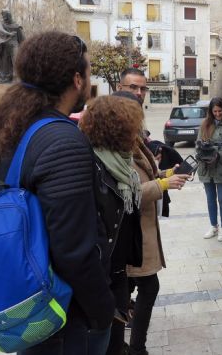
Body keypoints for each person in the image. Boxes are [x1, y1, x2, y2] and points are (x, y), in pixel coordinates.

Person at [0, 31, 114, 354]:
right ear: (77, 79)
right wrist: (103, 309)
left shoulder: (12, 128)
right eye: (89, 71)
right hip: (64, 317)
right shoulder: (62, 141)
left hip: (27, 303)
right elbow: (73, 251)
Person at [112, 90, 189, 355]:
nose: (141, 117)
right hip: (131, 234)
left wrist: (169, 174)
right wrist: (164, 184)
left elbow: (147, 176)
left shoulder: (134, 142)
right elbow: (127, 194)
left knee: (130, 290)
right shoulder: (116, 148)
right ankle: (133, 348)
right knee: (140, 288)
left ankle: (127, 345)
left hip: (142, 230)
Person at [79, 95, 145, 355]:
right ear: (116, 129)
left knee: (115, 342)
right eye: (132, 128)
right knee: (106, 344)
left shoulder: (122, 164)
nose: (137, 135)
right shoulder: (93, 166)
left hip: (118, 273)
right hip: (101, 280)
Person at [198, 97, 222, 241]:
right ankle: (213, 225)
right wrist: (202, 150)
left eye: (220, 111)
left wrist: (218, 155)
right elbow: (198, 142)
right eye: (215, 111)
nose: (217, 114)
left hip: (221, 167)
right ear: (210, 111)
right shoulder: (205, 124)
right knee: (210, 199)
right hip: (206, 167)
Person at [0, 9, 24, 83]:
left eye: (6, 16)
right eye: (3, 16)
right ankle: (6, 78)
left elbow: (22, 39)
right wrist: (9, 34)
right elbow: (0, 30)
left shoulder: (16, 26)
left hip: (14, 44)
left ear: (9, 16)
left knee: (15, 60)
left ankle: (17, 77)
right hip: (5, 45)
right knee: (5, 62)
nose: (4, 18)